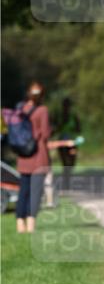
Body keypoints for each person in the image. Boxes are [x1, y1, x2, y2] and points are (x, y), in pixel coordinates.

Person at [15, 82, 51, 233]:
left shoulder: (20, 109)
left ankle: (20, 224)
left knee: (23, 190)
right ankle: (30, 225)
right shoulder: (42, 110)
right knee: (35, 192)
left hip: (23, 156)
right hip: (38, 156)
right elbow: (46, 133)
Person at [55, 97, 82, 190]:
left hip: (72, 143)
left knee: (72, 162)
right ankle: (66, 182)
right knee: (65, 163)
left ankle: (68, 179)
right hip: (62, 143)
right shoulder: (59, 117)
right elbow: (55, 129)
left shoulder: (74, 116)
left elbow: (79, 129)